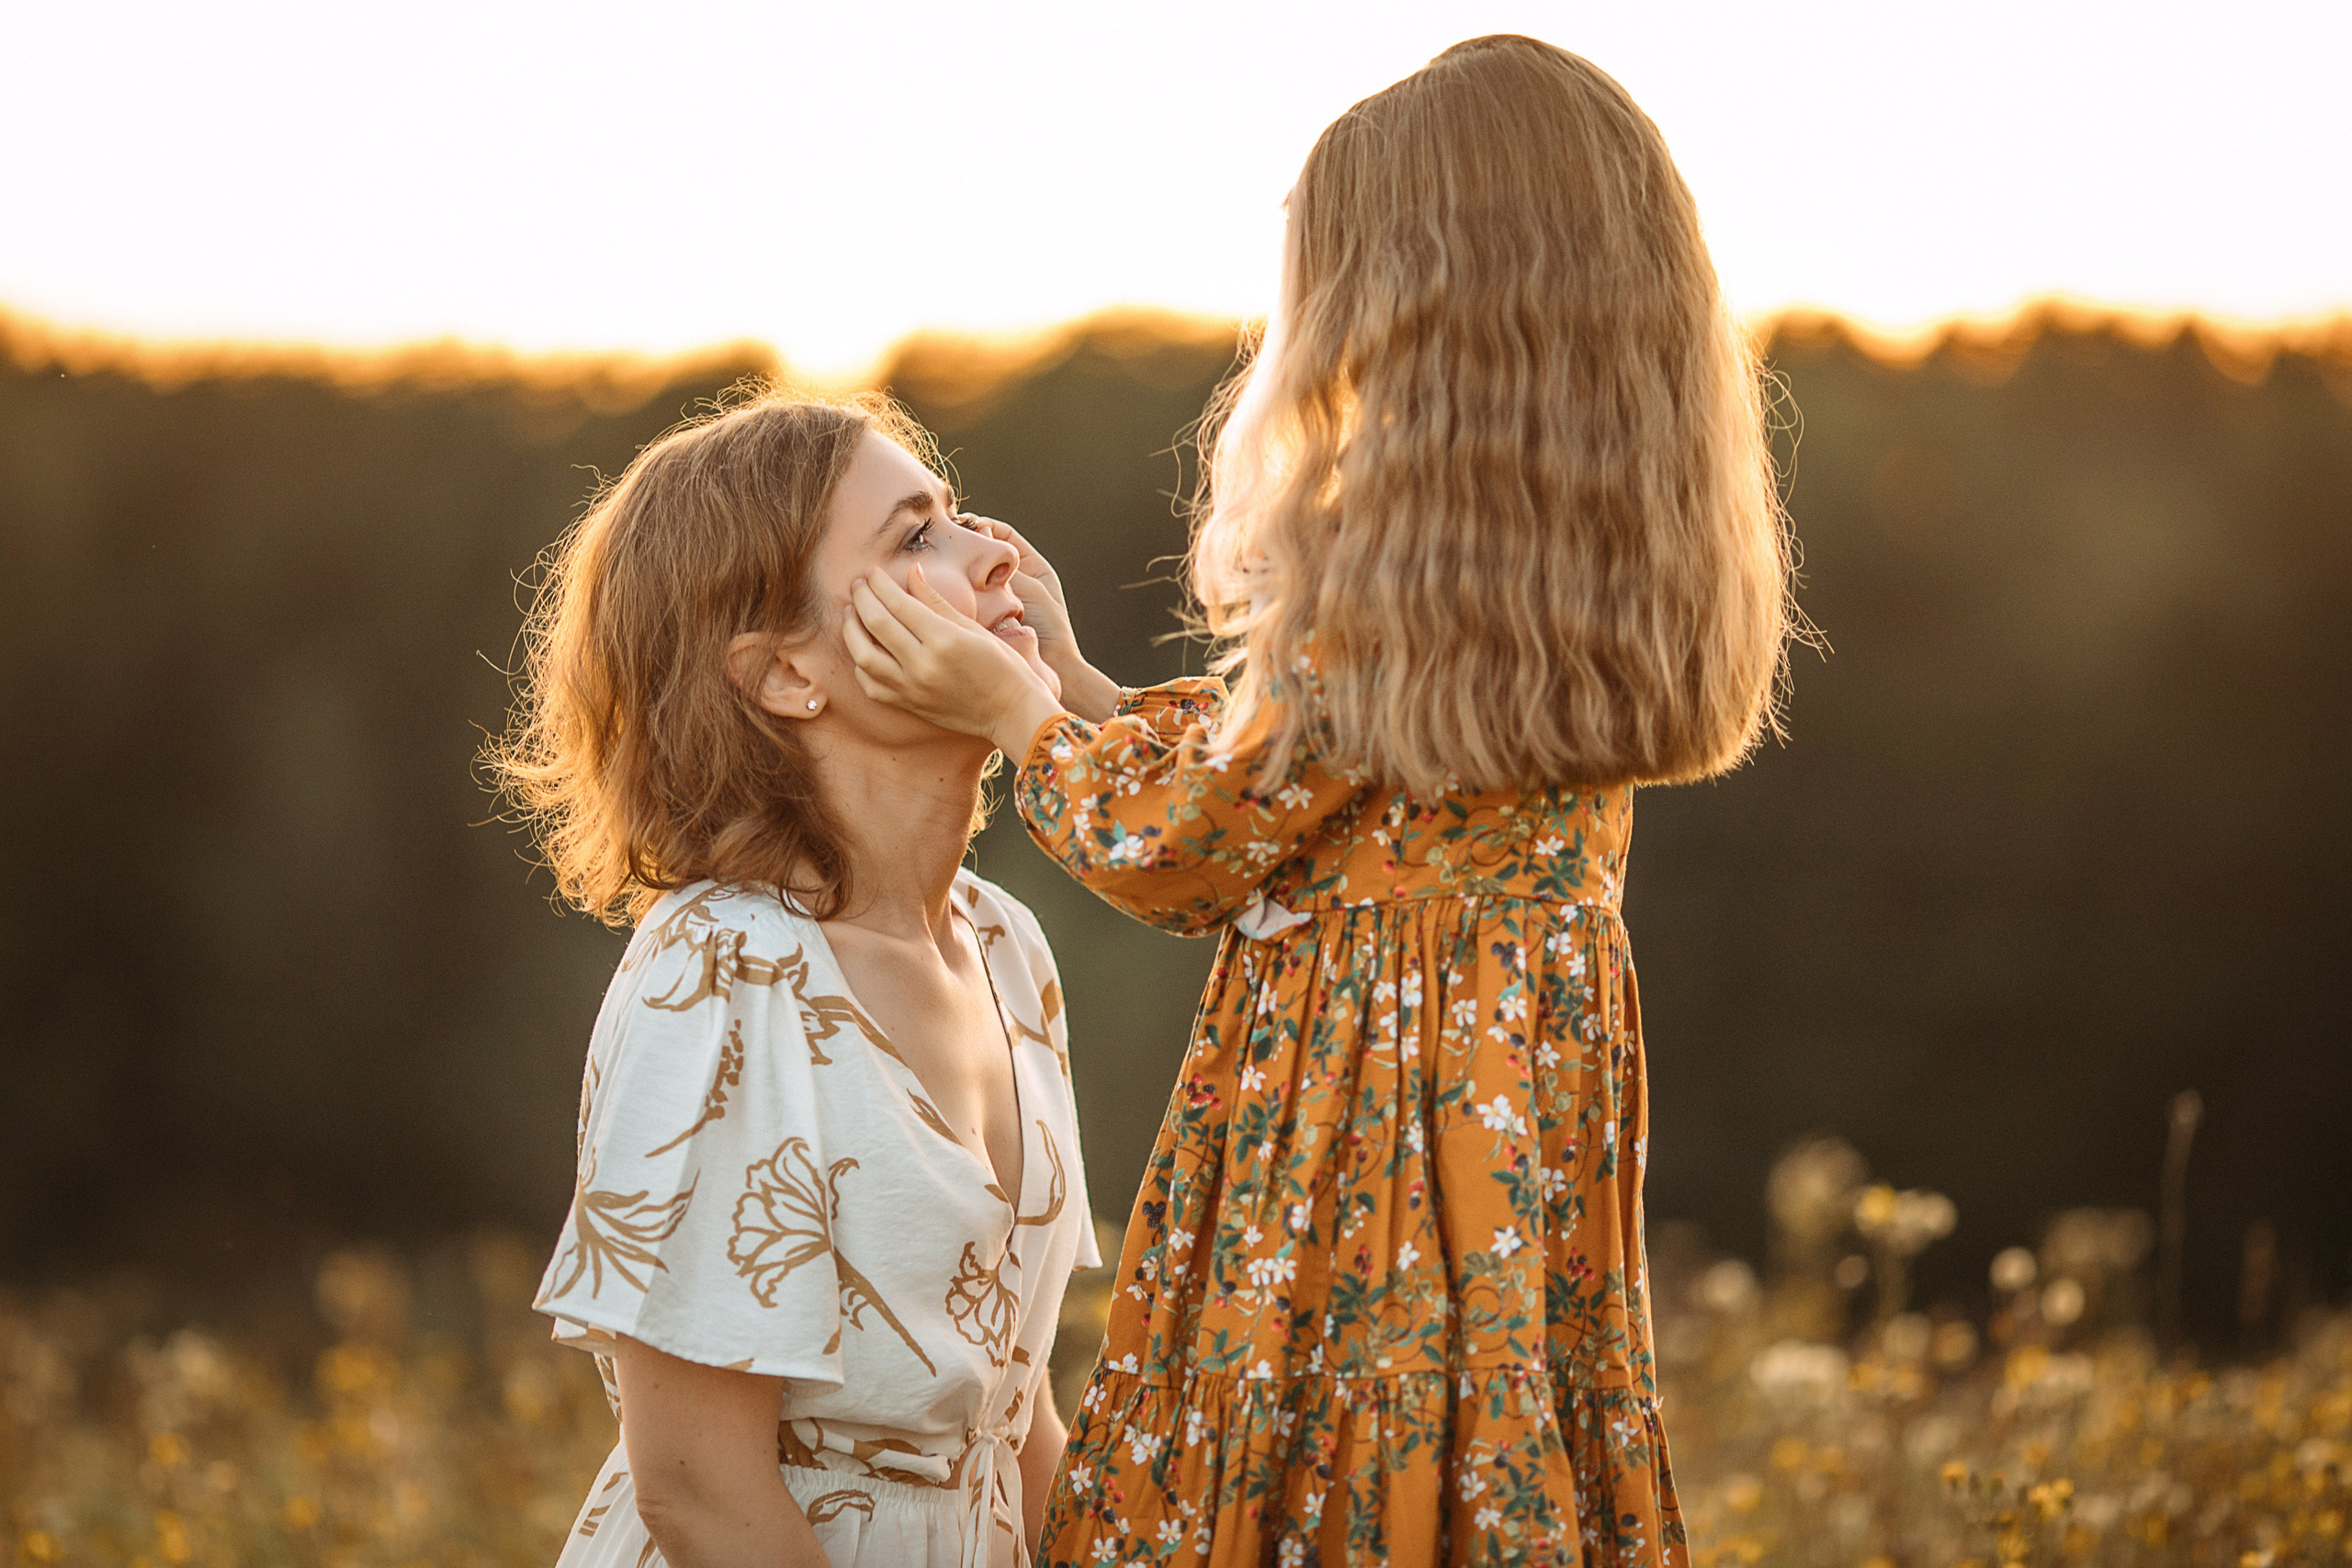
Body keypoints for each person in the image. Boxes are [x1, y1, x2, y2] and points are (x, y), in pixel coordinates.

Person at [840, 35, 1792, 1567]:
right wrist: (1082, 683)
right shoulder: (1568, 569)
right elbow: (1307, 805)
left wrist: (1018, 717)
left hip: (1372, 1130)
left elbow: (1183, 851)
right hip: (1514, 1116)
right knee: (1494, 1443)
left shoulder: (1382, 570)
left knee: (1338, 1462)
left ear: (1405, 314)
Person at [490, 390, 1099, 1568]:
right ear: (783, 676)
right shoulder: (724, 971)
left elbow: (1011, 1421)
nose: (998, 554)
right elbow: (698, 1489)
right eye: (914, 536)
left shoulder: (1007, 942)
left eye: (958, 516)